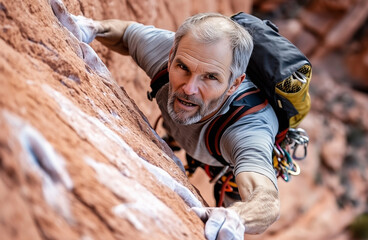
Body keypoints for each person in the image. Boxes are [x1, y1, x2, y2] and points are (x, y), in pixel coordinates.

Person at [74, 13, 280, 239]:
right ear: (171, 57)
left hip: (226, 164)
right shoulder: (168, 52)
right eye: (183, 67)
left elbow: (265, 199)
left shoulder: (248, 128)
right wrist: (92, 28)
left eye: (210, 77)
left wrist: (238, 217)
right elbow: (126, 33)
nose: (190, 88)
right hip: (190, 133)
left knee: (229, 215)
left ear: (234, 84)